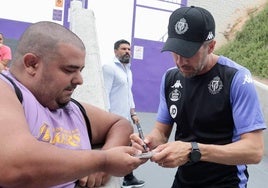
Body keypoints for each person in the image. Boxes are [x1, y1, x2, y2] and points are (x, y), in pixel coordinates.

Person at [130, 6, 266, 188]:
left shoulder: (236, 78)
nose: (180, 61)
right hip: (183, 182)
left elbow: (254, 151)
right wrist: (147, 143)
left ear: (211, 46)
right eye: (175, 51)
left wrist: (193, 150)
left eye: (188, 52)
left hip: (226, 183)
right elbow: (161, 132)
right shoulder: (170, 78)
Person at [0, 21, 146, 188]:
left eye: (80, 70)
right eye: (69, 70)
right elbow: (13, 165)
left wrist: (104, 159)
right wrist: (102, 161)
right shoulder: (7, 91)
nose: (79, 80)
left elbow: (120, 124)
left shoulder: (70, 108)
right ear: (32, 64)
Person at [102, 39, 145, 188]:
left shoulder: (128, 70)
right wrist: (106, 117)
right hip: (113, 118)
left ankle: (128, 178)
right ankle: (109, 178)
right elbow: (105, 93)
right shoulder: (108, 67)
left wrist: (133, 113)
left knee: (127, 146)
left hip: (125, 117)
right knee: (114, 148)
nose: (127, 52)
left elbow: (128, 93)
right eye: (123, 49)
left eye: (129, 49)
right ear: (115, 51)